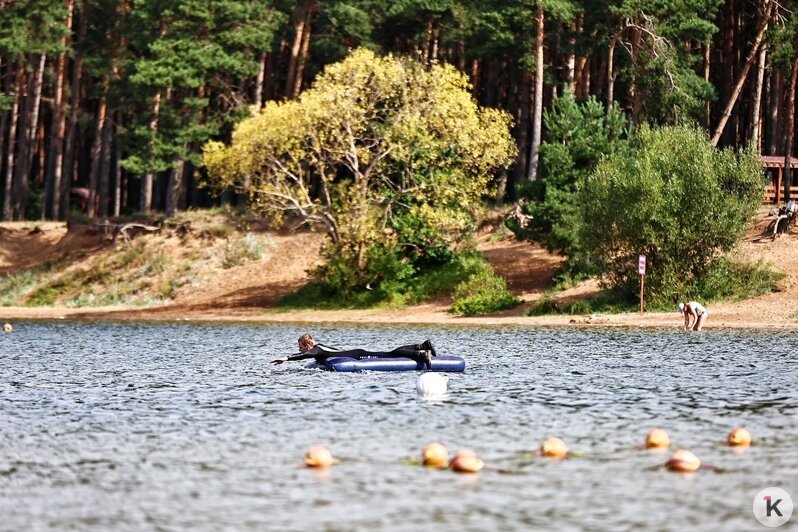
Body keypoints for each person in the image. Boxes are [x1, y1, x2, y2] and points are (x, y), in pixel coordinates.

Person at [271, 333, 437, 369]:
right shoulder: (319, 348)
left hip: (358, 355)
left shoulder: (316, 349)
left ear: (307, 345)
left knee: (391, 354)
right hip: (355, 352)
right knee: (390, 352)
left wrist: (285, 358)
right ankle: (422, 345)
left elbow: (305, 355)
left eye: (300, 347)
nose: (299, 350)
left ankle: (421, 353)